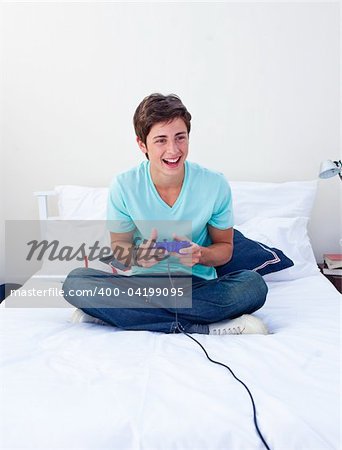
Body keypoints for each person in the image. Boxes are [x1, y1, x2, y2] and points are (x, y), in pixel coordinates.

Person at [63, 93, 268, 335]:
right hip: (143, 288)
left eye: (180, 138)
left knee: (253, 286)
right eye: (161, 140)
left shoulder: (215, 184)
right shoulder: (124, 185)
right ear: (142, 144)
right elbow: (120, 246)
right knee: (76, 283)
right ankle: (200, 326)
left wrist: (201, 254)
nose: (173, 150)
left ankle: (119, 317)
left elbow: (224, 247)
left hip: (198, 287)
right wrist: (139, 258)